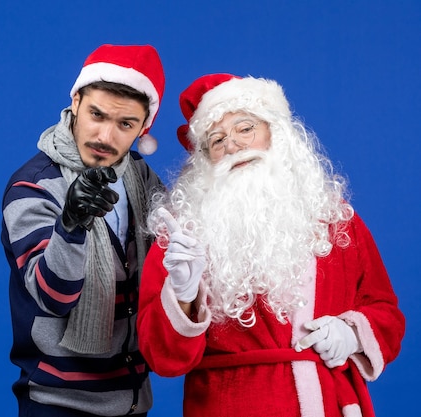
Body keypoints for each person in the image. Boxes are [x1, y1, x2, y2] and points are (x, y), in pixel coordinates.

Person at [137, 73, 405, 417]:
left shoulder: (336, 219)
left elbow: (386, 311)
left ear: (275, 132)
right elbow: (163, 358)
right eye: (216, 140)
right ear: (205, 159)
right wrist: (183, 296)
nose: (232, 145)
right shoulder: (183, 236)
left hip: (329, 404)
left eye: (245, 128)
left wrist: (351, 334)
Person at [0, 44, 166, 417]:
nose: (105, 137)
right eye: (97, 114)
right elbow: (53, 296)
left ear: (144, 128)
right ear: (75, 101)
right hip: (60, 402)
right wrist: (70, 225)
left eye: (125, 124)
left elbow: (178, 260)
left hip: (133, 400)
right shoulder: (34, 187)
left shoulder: (141, 178)